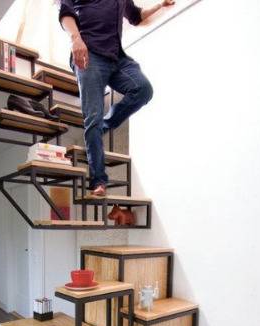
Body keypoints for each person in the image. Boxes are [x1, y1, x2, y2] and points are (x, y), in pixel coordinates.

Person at [59, 0, 174, 196]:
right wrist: (75, 39)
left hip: (117, 58)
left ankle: (102, 127)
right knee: (93, 117)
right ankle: (98, 180)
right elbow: (65, 11)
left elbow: (136, 16)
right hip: (89, 53)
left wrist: (160, 6)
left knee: (143, 89)